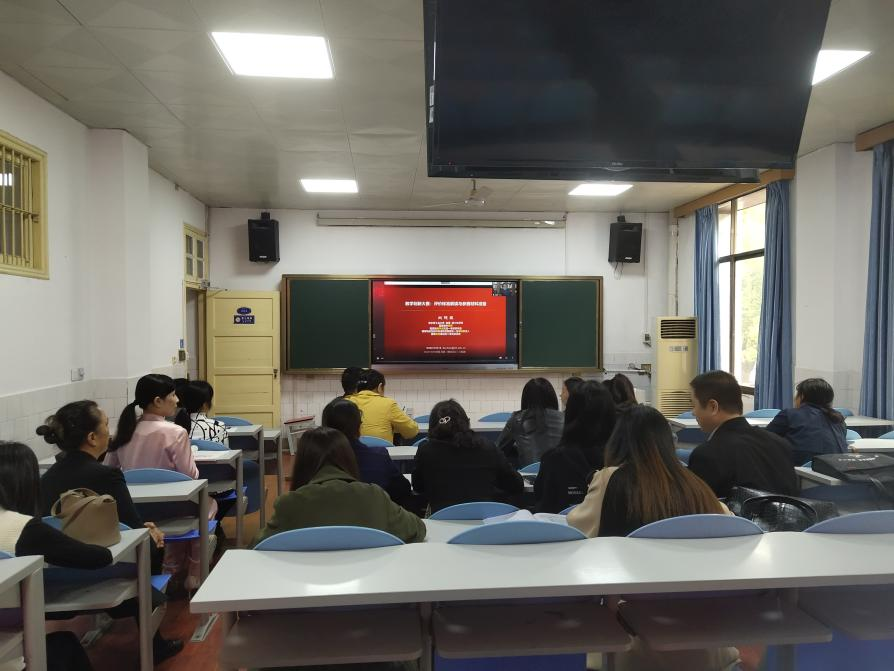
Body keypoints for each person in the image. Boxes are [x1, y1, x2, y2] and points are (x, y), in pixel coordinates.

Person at [567, 406, 738, 671]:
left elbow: (578, 531)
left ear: (617, 442)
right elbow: (728, 525)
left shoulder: (611, 479)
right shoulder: (694, 485)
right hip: (706, 647)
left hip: (630, 648)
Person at [33, 405, 185, 661]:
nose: (110, 431)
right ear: (92, 437)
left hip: (55, 577)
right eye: (105, 424)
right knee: (151, 542)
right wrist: (147, 530)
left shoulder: (44, 480)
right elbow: (133, 529)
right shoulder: (107, 475)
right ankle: (154, 641)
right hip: (108, 569)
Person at [106, 373, 215, 589]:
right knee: (208, 505)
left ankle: (171, 566)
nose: (177, 400)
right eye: (173, 395)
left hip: (134, 512)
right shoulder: (175, 432)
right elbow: (190, 476)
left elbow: (109, 471)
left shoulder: (124, 431)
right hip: (173, 509)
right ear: (157, 401)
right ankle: (194, 571)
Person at [254, 427, 425, 545]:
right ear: (348, 458)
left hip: (309, 583)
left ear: (302, 463)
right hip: (370, 582)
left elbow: (258, 546)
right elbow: (417, 528)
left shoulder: (289, 504)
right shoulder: (374, 496)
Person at [687, 371, 798, 498]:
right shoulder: (780, 443)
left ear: (713, 407)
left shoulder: (706, 454)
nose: (693, 412)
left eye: (693, 405)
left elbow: (697, 506)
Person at [412, 400, 524, 513]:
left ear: (432, 427)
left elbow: (418, 487)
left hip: (441, 518)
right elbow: (516, 484)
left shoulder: (425, 450)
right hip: (484, 518)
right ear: (466, 422)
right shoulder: (487, 447)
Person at [535, 381, 615, 513]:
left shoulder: (553, 460)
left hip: (562, 525)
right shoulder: (622, 459)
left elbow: (543, 508)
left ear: (570, 413)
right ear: (611, 415)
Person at [322, 398, 411, 506]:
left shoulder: (315, 461)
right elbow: (403, 489)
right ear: (359, 426)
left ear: (324, 427)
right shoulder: (379, 457)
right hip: (373, 514)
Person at [765, 378, 848, 466]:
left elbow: (763, 438)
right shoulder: (838, 418)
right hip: (836, 468)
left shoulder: (790, 414)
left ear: (802, 396)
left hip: (799, 469)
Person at [496, 377, 564, 468]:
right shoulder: (564, 418)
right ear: (552, 397)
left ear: (525, 398)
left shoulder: (517, 419)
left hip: (529, 474)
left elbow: (497, 450)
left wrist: (519, 448)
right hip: (561, 472)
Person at [346, 369, 418, 443]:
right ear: (380, 387)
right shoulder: (388, 404)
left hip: (353, 450)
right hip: (382, 449)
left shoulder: (347, 402)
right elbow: (412, 431)